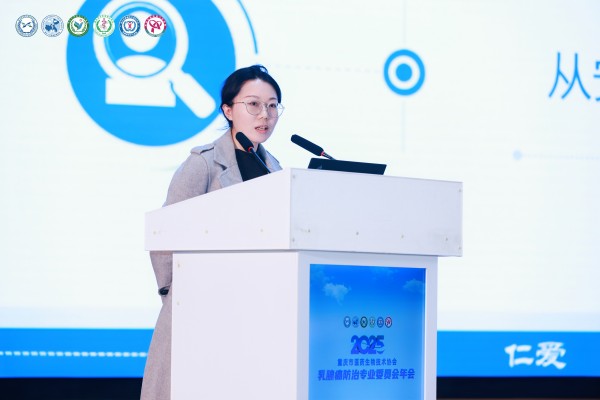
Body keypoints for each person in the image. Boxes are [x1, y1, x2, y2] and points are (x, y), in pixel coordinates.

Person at [140, 65, 284, 400]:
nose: (265, 115)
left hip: (252, 312)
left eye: (272, 105)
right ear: (228, 110)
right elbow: (166, 234)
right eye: (253, 104)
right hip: (198, 309)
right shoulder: (203, 163)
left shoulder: (275, 170)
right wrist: (176, 294)